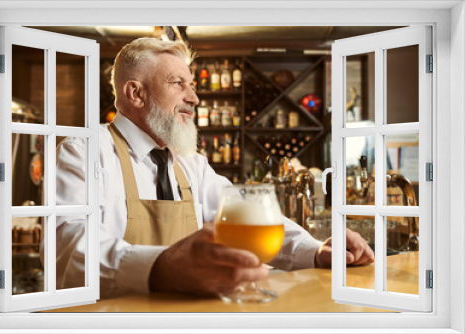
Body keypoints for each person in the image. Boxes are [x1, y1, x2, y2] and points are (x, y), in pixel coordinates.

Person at [51, 37, 374, 298]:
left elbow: (251, 219)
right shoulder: (84, 151)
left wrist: (315, 250)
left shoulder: (190, 162)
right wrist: (164, 266)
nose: (194, 97)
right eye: (178, 83)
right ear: (136, 93)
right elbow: (70, 251)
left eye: (192, 85)